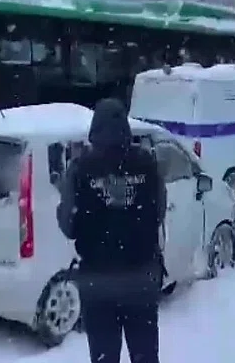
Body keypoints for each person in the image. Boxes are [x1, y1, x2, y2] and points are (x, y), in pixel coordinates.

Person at [57, 98, 166, 363]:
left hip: (98, 283)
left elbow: (68, 226)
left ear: (95, 130)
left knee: (105, 358)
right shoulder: (147, 163)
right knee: (145, 356)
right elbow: (159, 212)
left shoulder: (80, 169)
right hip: (140, 280)